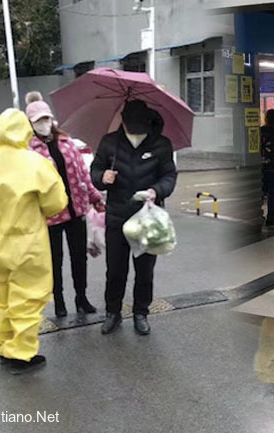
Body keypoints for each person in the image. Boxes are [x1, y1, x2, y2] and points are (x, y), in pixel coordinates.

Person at [0, 108, 68, 375]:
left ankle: (3, 346)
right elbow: (56, 203)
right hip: (26, 244)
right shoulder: (35, 163)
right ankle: (21, 354)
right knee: (27, 298)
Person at [91, 99, 177, 335]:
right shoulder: (110, 143)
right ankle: (112, 312)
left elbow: (170, 176)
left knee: (144, 272)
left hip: (148, 219)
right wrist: (102, 177)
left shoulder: (161, 144)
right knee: (115, 271)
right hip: (117, 218)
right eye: (132, 126)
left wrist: (156, 191)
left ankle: (141, 312)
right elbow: (95, 170)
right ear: (124, 122)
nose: (136, 130)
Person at [25, 91, 105, 317]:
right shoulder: (28, 150)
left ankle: (82, 298)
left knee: (79, 259)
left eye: (47, 118)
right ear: (31, 123)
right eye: (39, 120)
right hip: (49, 216)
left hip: (76, 211)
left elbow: (82, 175)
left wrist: (95, 197)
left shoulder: (66, 142)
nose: (44, 124)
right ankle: (59, 301)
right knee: (54, 262)